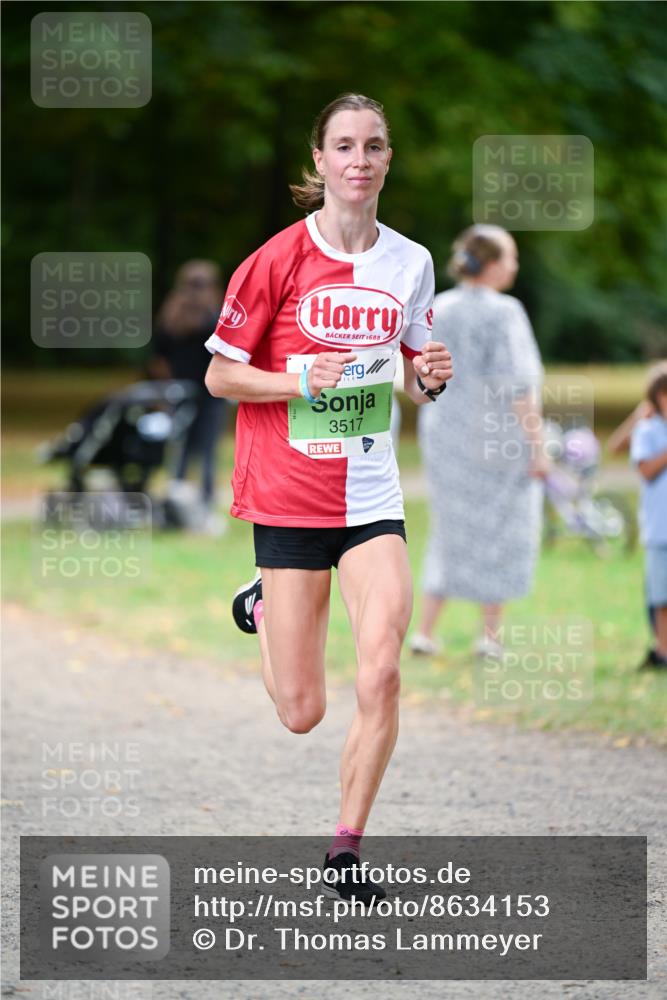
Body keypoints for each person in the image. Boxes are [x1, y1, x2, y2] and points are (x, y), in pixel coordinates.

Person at [204, 93, 452, 903]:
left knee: (379, 673)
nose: (358, 159)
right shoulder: (275, 259)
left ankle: (346, 851)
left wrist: (429, 380)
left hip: (371, 499)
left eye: (373, 145)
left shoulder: (411, 262)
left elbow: (412, 370)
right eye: (343, 145)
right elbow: (219, 375)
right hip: (286, 498)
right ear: (319, 162)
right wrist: (294, 378)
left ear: (386, 160)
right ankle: (262, 604)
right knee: (301, 711)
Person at [410, 224, 546, 659]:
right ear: (490, 264)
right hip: (496, 438)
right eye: (510, 257)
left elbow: (417, 380)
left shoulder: (439, 308)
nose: (515, 266)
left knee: (449, 528)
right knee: (499, 528)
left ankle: (425, 632)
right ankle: (489, 636)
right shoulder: (505, 312)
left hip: (446, 435)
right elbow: (518, 386)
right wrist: (538, 446)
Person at [150, 260, 226, 530]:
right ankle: (205, 507)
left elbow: (159, 360)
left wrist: (167, 389)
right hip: (210, 393)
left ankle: (174, 503)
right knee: (206, 453)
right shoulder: (216, 319)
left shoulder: (170, 318)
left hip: (178, 392)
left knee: (180, 450)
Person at [630, 365, 667, 670]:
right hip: (660, 528)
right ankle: (662, 651)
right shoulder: (649, 429)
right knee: (661, 596)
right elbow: (645, 470)